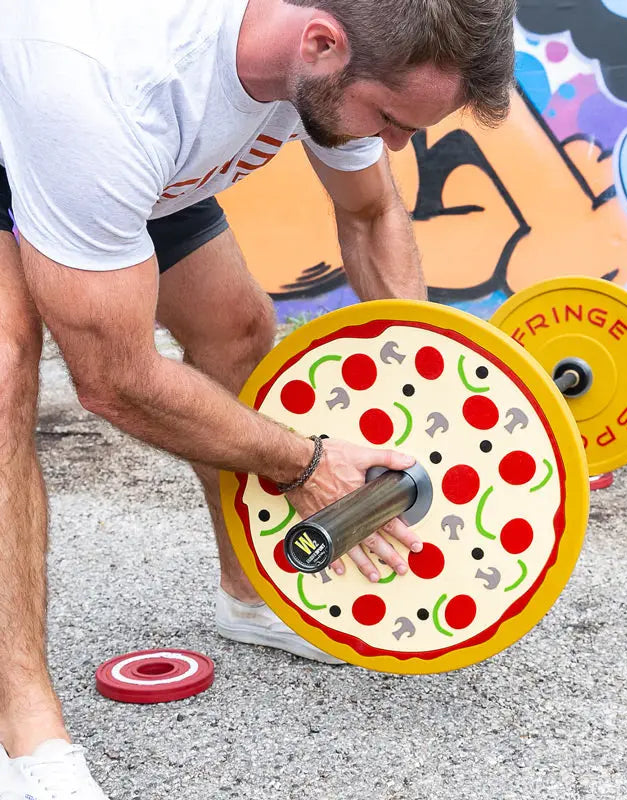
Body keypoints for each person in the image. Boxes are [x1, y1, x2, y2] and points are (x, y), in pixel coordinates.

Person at [0, 0, 515, 795]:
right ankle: (25, 726)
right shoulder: (106, 81)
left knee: (237, 328)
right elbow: (114, 381)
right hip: (38, 127)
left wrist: (424, 387)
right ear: (320, 45)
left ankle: (251, 591)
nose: (396, 145)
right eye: (389, 120)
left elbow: (371, 212)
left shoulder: (342, 47)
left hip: (130, 166)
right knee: (6, 372)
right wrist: (302, 462)